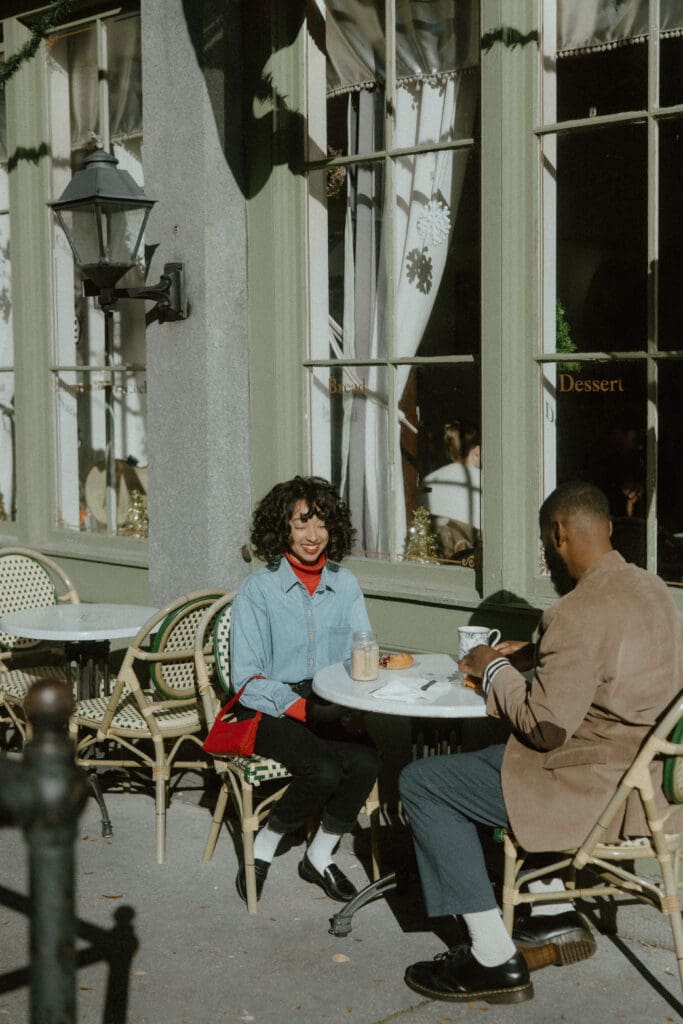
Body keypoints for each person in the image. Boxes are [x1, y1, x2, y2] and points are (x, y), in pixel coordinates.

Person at [398, 480, 683, 1005]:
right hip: (647, 790)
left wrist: (494, 668)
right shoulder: (653, 589)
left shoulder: (573, 611)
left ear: (557, 535)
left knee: (424, 781)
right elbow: (611, 659)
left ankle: (491, 957)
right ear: (608, 529)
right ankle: (551, 909)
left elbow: (544, 727)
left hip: (589, 792)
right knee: (491, 761)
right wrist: (539, 652)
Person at [229, 475, 381, 905]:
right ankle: (263, 846)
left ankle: (318, 854)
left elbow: (362, 648)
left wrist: (358, 687)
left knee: (368, 759)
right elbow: (246, 680)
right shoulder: (258, 590)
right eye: (301, 524)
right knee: (324, 768)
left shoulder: (345, 584)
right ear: (282, 529)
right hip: (267, 708)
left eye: (322, 524)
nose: (313, 536)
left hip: (328, 702)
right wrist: (304, 711)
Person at [421, 420, 481, 560]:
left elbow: (420, 518)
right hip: (470, 560)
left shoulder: (430, 480)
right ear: (477, 451)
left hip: (433, 558)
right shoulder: (483, 481)